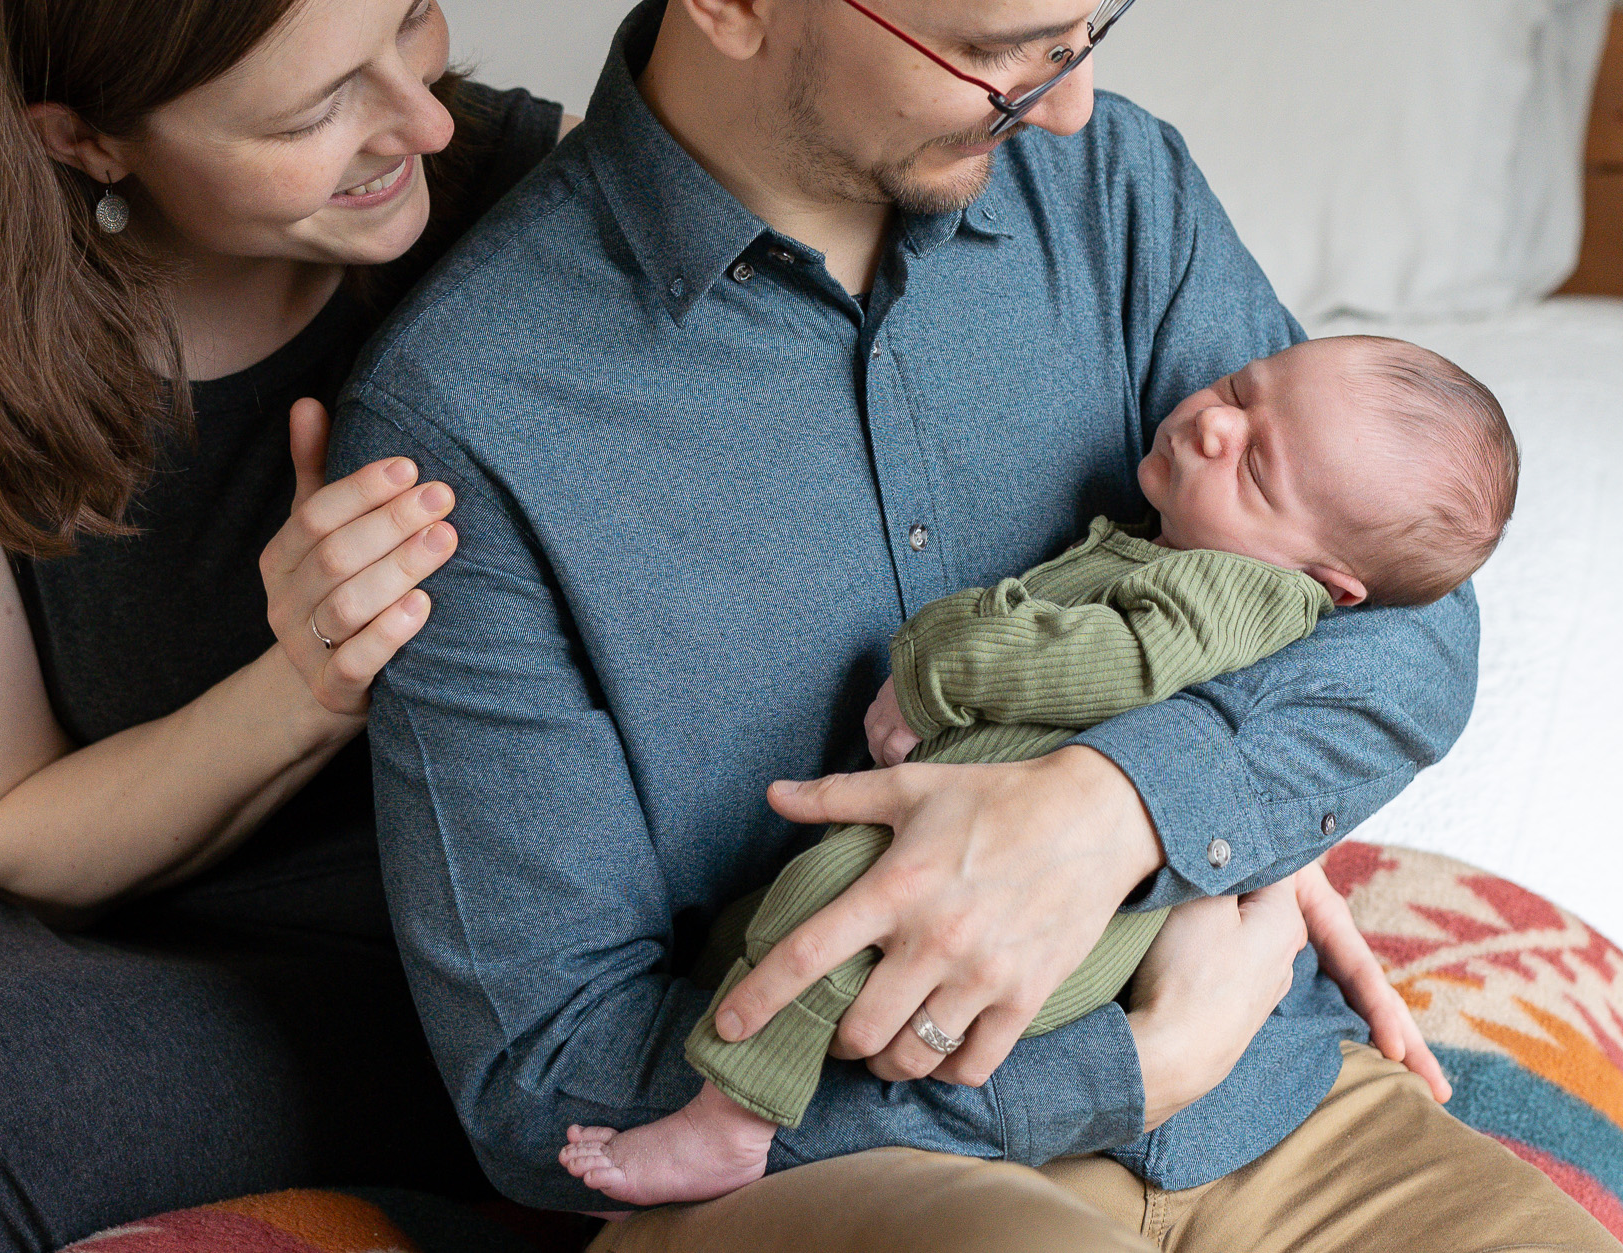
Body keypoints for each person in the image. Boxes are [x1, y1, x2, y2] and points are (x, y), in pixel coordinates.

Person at [329, 0, 1623, 1248]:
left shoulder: (1121, 193)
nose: (1066, 106)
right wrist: (1129, 1070)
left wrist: (1119, 808)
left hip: (1279, 1109)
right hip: (847, 1175)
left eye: (1097, 10)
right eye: (999, 48)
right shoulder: (469, 418)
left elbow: (1407, 627)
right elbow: (549, 1086)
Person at [0, 0, 578, 1248]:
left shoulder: (539, 213)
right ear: (80, 138)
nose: (424, 121)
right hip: (114, 934)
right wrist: (305, 685)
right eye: (314, 109)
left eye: (414, 12)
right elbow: (1, 816)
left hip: (446, 976)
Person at [561, 334, 1519, 1206]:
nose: (1215, 421)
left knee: (827, 919)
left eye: (1259, 467)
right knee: (788, 926)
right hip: (1074, 1006)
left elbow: (1110, 658)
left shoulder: (1231, 590)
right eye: (1239, 387)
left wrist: (937, 667)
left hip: (1099, 976)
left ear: (1329, 583)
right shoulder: (1203, 543)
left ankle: (735, 1123)